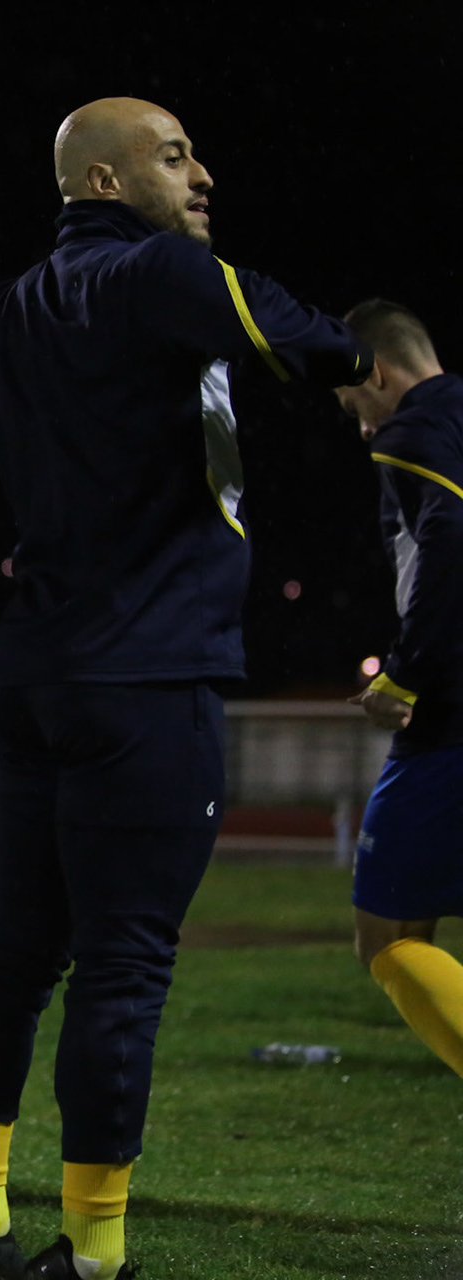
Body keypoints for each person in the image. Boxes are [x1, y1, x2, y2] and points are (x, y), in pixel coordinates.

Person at [0, 98, 373, 1279]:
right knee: (124, 964)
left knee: (16, 954)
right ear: (103, 180)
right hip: (149, 671)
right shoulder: (160, 272)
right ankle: (94, 1255)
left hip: (36, 668)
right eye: (174, 155)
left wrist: (39, 428)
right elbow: (322, 347)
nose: (203, 176)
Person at [334, 300, 463, 1082]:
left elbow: (450, 541)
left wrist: (405, 675)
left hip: (450, 719)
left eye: (354, 403)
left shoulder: (412, 430)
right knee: (418, 924)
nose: (361, 428)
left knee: (384, 934)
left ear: (376, 373)